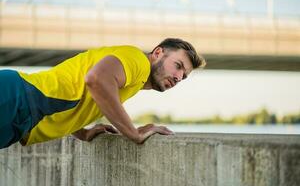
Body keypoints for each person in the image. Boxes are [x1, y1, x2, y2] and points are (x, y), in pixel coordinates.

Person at [0, 38, 206, 149]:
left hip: (20, 114)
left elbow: (77, 86)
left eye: (184, 76)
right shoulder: (138, 61)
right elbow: (96, 79)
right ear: (158, 53)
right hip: (16, 99)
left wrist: (82, 131)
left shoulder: (132, 80)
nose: (179, 77)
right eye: (178, 66)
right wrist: (134, 133)